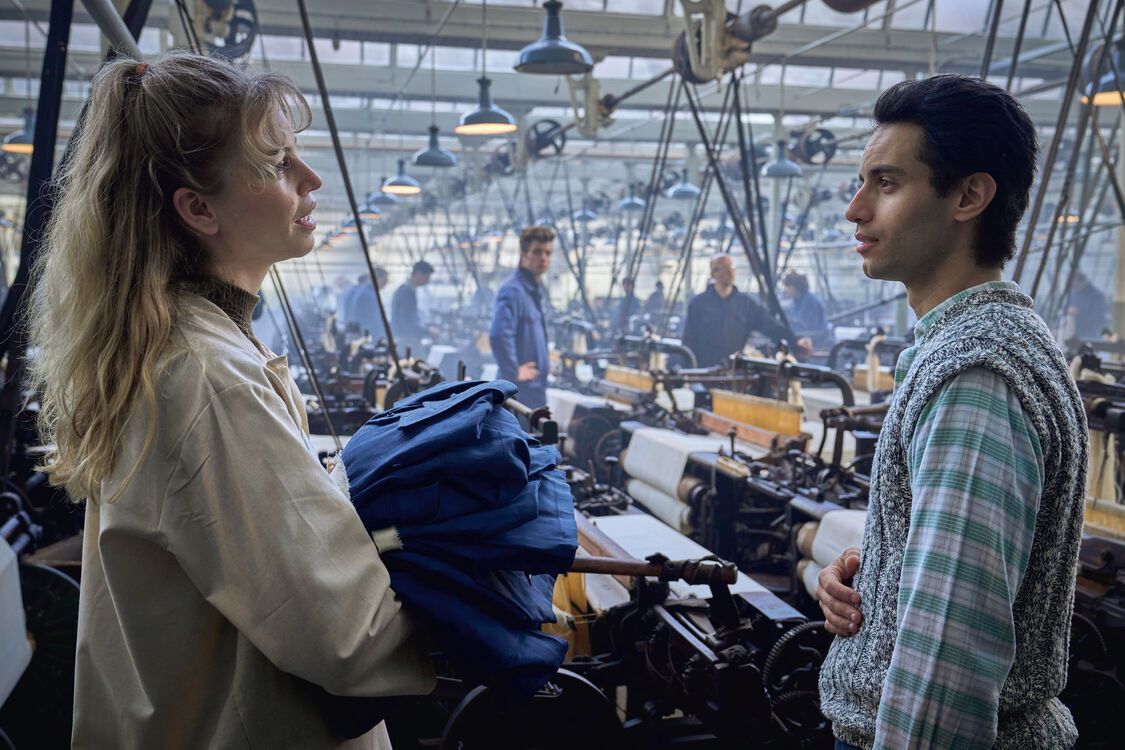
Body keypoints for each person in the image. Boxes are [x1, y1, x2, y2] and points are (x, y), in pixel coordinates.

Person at [27, 53, 433, 748]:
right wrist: (481, 587)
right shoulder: (208, 379)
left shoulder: (184, 348)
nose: (311, 179)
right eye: (277, 163)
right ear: (198, 208)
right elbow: (352, 637)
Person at [816, 75, 1086, 749]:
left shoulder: (974, 374)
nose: (854, 209)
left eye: (885, 183)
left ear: (968, 196)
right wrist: (881, 572)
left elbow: (947, 667)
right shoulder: (972, 347)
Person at [680, 253, 801, 367]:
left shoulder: (745, 305)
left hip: (734, 372)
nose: (728, 272)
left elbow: (770, 325)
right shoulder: (698, 304)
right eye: (722, 268)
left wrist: (795, 341)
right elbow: (689, 340)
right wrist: (687, 370)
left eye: (731, 267)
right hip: (705, 373)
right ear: (713, 274)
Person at [490, 225, 554, 408]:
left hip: (533, 388)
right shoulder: (514, 290)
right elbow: (498, 335)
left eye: (548, 253)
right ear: (524, 254)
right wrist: (514, 371)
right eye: (537, 252)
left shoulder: (532, 291)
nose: (543, 258)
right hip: (520, 391)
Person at [391, 260, 434, 356]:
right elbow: (406, 321)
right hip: (407, 340)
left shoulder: (406, 289)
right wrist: (426, 331)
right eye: (426, 277)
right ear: (417, 274)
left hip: (404, 338)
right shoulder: (406, 292)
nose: (428, 280)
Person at [781, 271, 831, 348]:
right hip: (802, 339)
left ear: (796, 287)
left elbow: (811, 328)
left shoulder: (810, 301)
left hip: (816, 342)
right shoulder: (795, 301)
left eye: (788, 286)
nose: (786, 290)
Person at [350, 267, 390, 340]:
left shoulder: (367, 292)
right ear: (377, 279)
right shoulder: (369, 295)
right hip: (369, 335)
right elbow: (374, 320)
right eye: (385, 280)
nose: (386, 283)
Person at [1068, 271, 1108, 340]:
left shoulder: (1097, 296)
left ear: (1082, 281)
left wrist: (1078, 313)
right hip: (1072, 335)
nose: (1073, 287)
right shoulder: (1073, 293)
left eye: (1074, 284)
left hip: (1090, 337)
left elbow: (1099, 320)